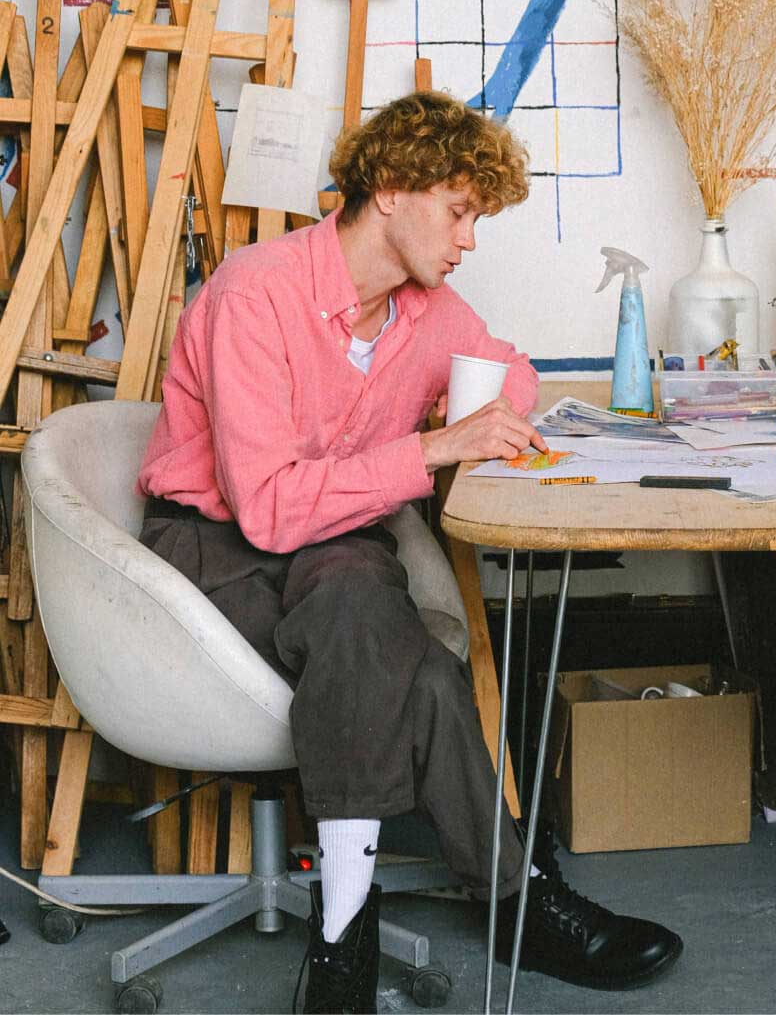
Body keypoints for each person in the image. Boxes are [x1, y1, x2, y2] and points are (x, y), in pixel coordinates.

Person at [137, 90, 682, 1013]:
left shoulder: (423, 310)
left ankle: (346, 939)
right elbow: (267, 511)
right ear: (390, 188)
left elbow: (511, 371)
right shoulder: (256, 293)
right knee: (398, 646)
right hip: (214, 545)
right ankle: (513, 904)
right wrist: (433, 446)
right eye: (459, 211)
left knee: (368, 611)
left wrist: (466, 401)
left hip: (335, 550)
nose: (468, 240)